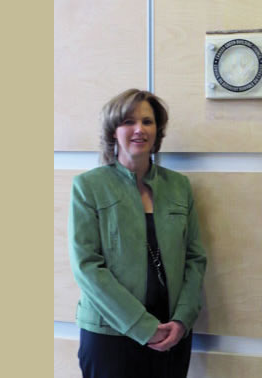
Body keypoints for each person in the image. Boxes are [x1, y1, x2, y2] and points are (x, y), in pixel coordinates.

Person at [68, 89, 207, 378]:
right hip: (111, 335)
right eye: (129, 121)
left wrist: (182, 320)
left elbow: (195, 259)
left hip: (171, 333)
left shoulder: (179, 186)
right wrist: (143, 327)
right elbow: (87, 267)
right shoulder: (88, 187)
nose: (139, 129)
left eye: (148, 121)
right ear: (113, 130)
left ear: (158, 131)